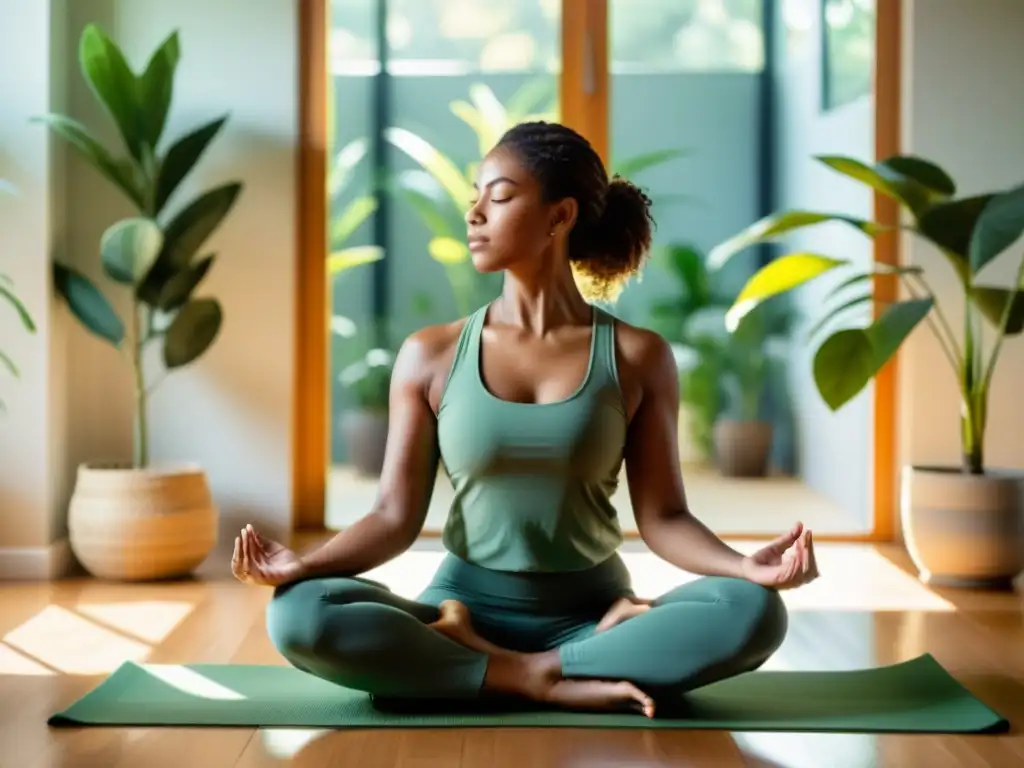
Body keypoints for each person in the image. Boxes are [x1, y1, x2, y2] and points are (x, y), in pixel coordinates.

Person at [232, 121, 819, 718]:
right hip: (458, 608)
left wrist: (743, 566)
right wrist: (308, 564)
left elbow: (664, 517)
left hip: (595, 612)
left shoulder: (637, 356)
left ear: (559, 217)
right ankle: (535, 672)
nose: (476, 214)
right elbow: (392, 515)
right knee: (300, 612)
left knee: (754, 612)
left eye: (500, 196)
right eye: (474, 198)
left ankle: (504, 672)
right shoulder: (430, 355)